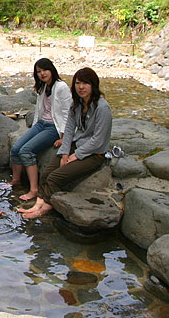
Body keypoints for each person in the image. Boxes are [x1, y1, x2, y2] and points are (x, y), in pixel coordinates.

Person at [18, 67, 112, 219]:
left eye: (85, 83)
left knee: (55, 178)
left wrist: (76, 156)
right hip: (76, 144)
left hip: (95, 154)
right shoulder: (77, 103)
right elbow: (69, 130)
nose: (81, 87)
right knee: (46, 173)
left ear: (93, 85)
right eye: (78, 83)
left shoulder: (102, 107)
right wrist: (64, 153)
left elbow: (98, 140)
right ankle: (38, 204)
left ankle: (44, 209)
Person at [10, 58, 72, 201]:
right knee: (16, 149)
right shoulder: (43, 86)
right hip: (41, 124)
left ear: (52, 70)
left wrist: (63, 137)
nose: (42, 73)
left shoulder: (61, 87)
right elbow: (39, 109)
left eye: (45, 70)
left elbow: (67, 113)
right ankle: (16, 180)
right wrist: (34, 128)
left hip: (53, 127)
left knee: (26, 151)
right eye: (39, 71)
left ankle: (34, 189)